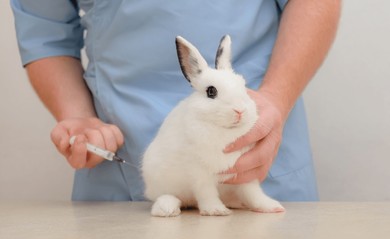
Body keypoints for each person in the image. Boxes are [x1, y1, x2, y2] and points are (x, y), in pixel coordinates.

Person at [11, 0, 341, 201]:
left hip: (258, 155)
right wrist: (77, 115)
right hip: (120, 166)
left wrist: (275, 99)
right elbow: (45, 29)